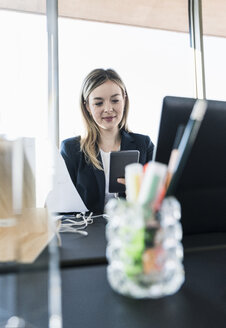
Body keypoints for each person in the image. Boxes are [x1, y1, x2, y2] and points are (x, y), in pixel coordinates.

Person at [60, 68, 154, 214]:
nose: (108, 109)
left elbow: (157, 199)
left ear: (124, 99)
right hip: (88, 234)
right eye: (98, 103)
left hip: (130, 231)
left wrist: (141, 196)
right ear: (87, 107)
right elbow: (62, 207)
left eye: (115, 100)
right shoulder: (71, 149)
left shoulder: (144, 145)